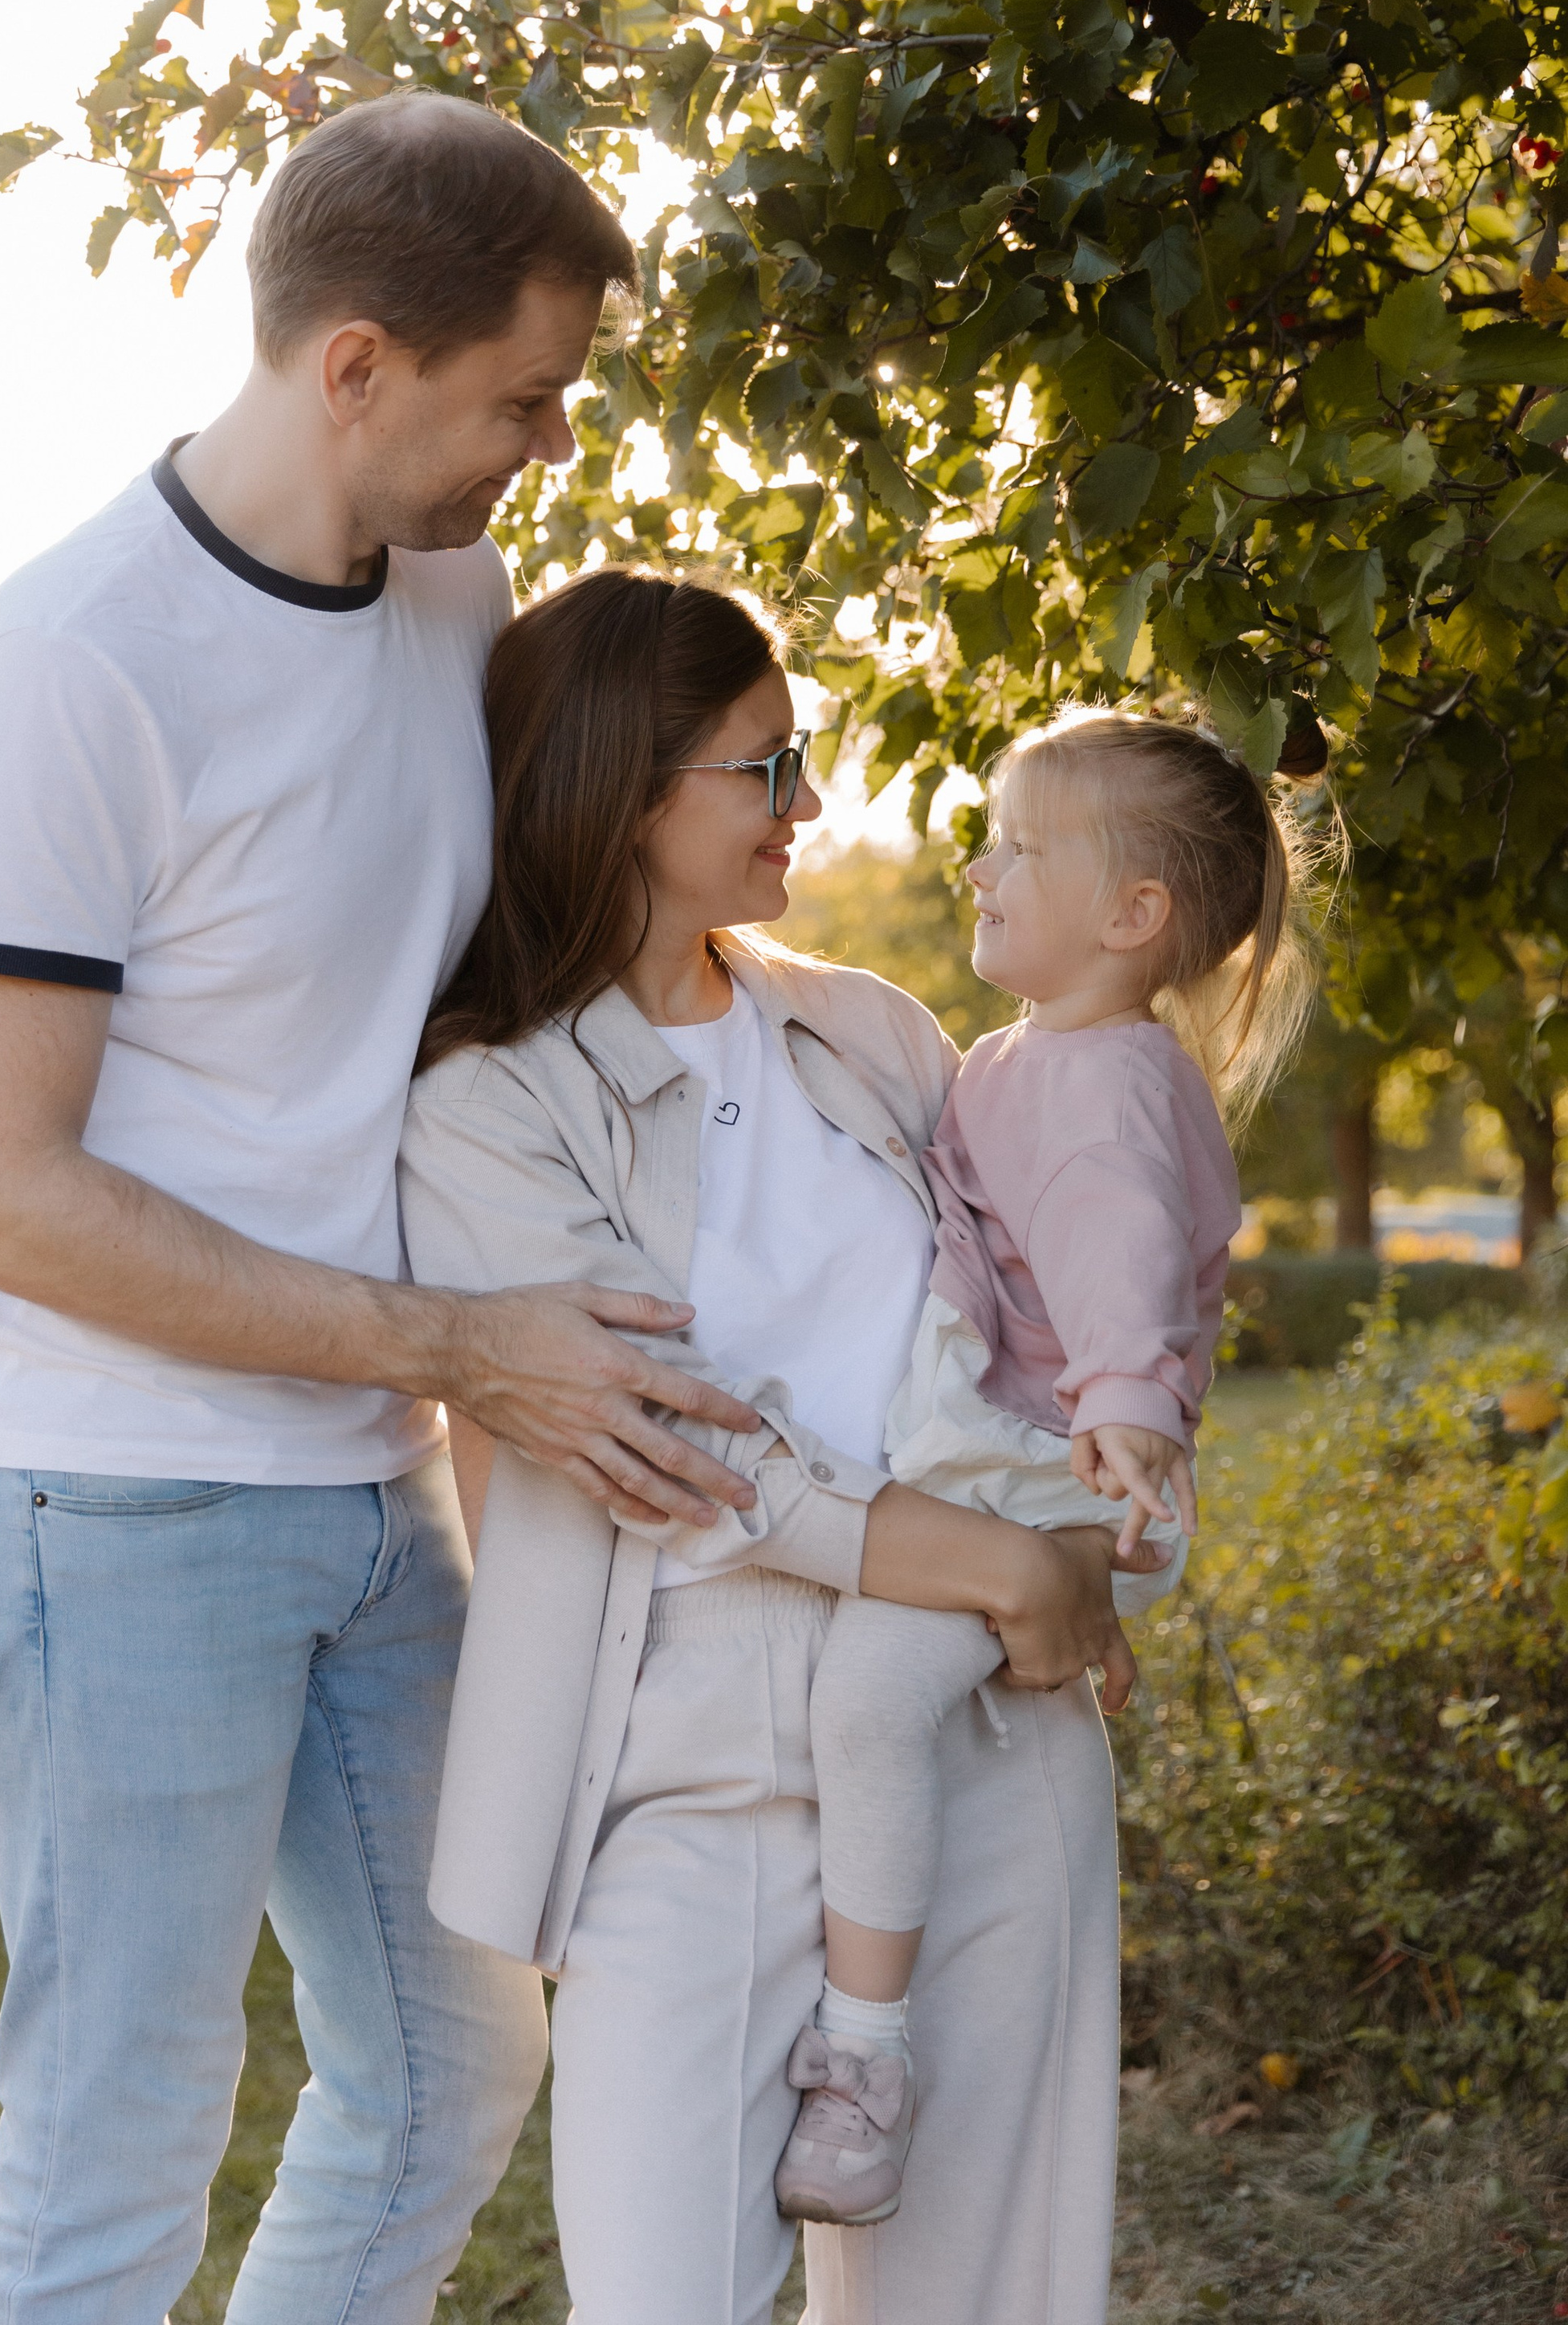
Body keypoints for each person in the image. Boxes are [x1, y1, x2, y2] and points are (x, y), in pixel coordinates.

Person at [0, 96, 764, 2325]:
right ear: (357, 363)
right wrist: (465, 1350)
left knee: (451, 2064)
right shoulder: (72, 665)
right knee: (119, 2153)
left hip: (371, 1505)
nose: (549, 448)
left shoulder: (455, 604)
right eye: (524, 399)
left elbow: (571, 924)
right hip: (111, 1517)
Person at [399, 568, 1161, 2325]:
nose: (806, 804)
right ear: (624, 784)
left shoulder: (874, 1033)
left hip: (975, 1730)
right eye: (764, 766)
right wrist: (989, 1557)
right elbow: (656, 1449)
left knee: (979, 2302)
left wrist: (1076, 1520)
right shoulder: (488, 1104)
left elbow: (1025, 1342)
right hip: (684, 1764)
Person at [774, 704, 1313, 2229]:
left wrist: (1131, 1416)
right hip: (1035, 1461)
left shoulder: (1104, 1084)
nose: (982, 865)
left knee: (870, 1700)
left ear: (1133, 917)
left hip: (1041, 1457)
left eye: (1022, 848)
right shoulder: (1036, 1054)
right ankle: (1080, 1600)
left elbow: (1124, 1246)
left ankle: (862, 2062)